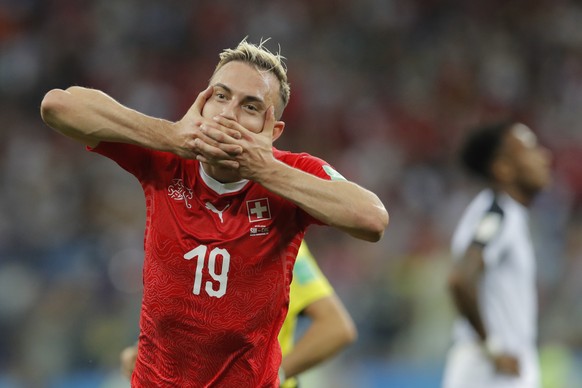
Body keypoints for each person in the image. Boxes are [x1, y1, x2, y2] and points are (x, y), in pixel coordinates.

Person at [40, 38, 388, 387]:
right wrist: (171, 135)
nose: (227, 114)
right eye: (220, 96)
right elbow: (58, 106)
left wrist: (265, 170)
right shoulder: (167, 155)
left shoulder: (291, 174)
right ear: (202, 103)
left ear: (273, 132)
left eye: (250, 107)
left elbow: (372, 219)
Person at [120, 241, 357, 387]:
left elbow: (336, 327)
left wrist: (271, 377)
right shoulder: (186, 234)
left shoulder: (278, 237)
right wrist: (146, 356)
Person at [442, 121, 552, 388]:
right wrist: (492, 348)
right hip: (490, 373)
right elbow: (460, 279)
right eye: (530, 150)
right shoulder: (497, 213)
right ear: (502, 168)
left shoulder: (505, 213)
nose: (544, 157)